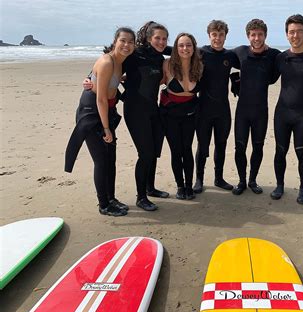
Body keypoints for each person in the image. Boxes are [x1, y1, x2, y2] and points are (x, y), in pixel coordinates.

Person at [82, 21, 172, 212]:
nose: (161, 42)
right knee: (145, 153)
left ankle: (151, 187)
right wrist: (90, 78)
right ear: (148, 38)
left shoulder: (160, 57)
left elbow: (180, 50)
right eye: (157, 38)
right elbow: (108, 68)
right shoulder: (134, 55)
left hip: (152, 110)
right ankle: (141, 197)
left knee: (154, 151)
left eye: (164, 39)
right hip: (135, 111)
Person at [65, 27, 135, 216]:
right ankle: (103, 204)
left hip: (107, 110)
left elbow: (95, 79)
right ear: (115, 41)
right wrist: (106, 128)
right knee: (101, 161)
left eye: (130, 42)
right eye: (123, 40)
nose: (126, 45)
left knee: (110, 158)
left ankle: (111, 198)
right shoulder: (107, 62)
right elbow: (100, 99)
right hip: (92, 113)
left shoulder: (122, 62)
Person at [270, 14, 303, 204]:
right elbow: (267, 77)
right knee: (280, 151)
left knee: (302, 152)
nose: (295, 35)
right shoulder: (281, 58)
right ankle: (279, 185)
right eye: (291, 32)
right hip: (282, 112)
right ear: (286, 34)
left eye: (299, 31)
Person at [232, 19, 281, 195]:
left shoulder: (274, 55)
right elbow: (215, 55)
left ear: (265, 35)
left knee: (258, 147)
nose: (257, 38)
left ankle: (252, 180)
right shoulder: (240, 52)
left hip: (261, 111)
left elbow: (294, 55)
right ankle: (241, 181)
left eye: (260, 34)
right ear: (248, 36)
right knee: (240, 147)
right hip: (242, 111)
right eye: (253, 34)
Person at [193, 20, 240, 194]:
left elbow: (250, 60)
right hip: (203, 108)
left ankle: (219, 178)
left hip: (223, 109)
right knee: (202, 145)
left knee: (221, 144)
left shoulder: (230, 56)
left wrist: (238, 81)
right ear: (209, 35)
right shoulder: (200, 53)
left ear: (225, 36)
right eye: (214, 34)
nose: (218, 38)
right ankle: (199, 179)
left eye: (221, 35)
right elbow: (176, 52)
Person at [160, 32, 203, 200]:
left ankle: (189, 186)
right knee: (176, 150)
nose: (185, 48)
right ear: (176, 48)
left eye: (189, 45)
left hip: (190, 113)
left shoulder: (200, 66)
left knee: (187, 149)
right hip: (170, 114)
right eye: (181, 45)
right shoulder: (167, 65)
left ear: (194, 47)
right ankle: (179, 186)